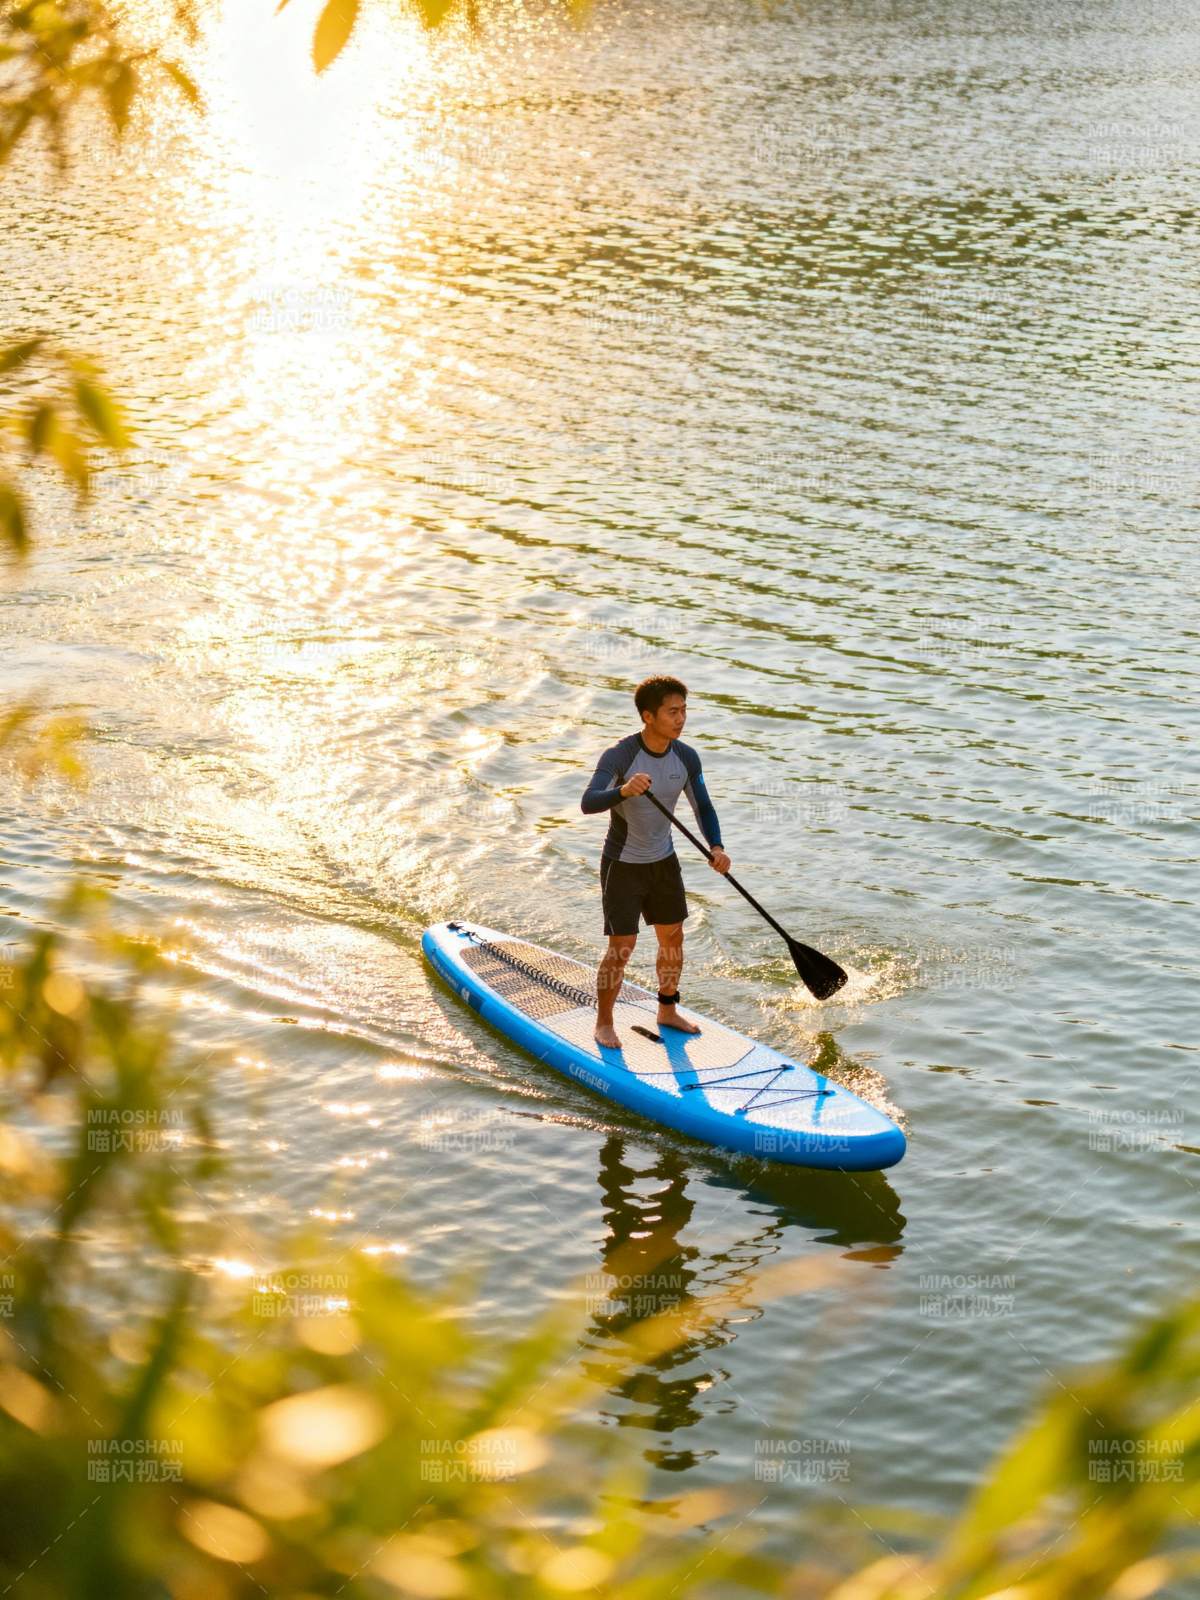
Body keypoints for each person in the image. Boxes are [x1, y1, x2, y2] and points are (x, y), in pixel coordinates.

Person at [580, 675, 730, 1049]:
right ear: (648, 716)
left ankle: (666, 1009)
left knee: (673, 937)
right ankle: (603, 1023)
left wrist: (716, 846)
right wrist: (622, 790)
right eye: (672, 712)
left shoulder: (686, 757)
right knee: (622, 946)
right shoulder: (620, 755)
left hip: (663, 861)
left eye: (684, 711)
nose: (681, 719)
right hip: (623, 864)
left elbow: (703, 806)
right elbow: (588, 801)